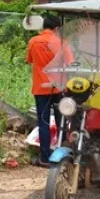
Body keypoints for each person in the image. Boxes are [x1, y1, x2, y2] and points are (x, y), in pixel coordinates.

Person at [25, 14, 73, 167]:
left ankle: (45, 157)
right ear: (57, 28)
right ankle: (65, 155)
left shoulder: (33, 41)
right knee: (62, 122)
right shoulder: (62, 42)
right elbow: (71, 63)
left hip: (41, 89)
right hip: (59, 87)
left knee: (43, 122)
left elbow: (29, 60)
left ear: (43, 26)